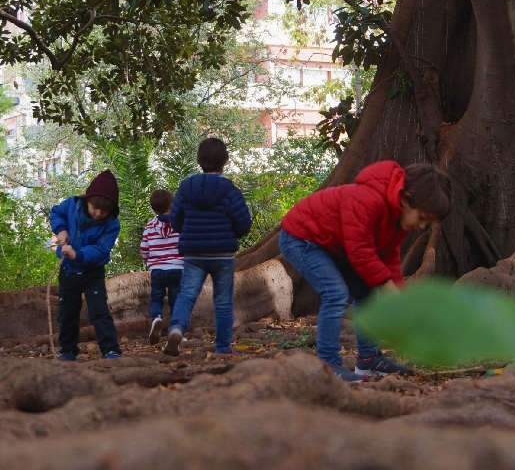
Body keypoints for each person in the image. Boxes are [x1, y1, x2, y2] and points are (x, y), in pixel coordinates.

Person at [278, 161, 452, 382]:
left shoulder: (397, 218)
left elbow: (388, 259)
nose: (421, 226)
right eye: (422, 218)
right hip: (303, 238)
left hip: (336, 245)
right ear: (406, 198)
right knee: (335, 293)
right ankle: (327, 366)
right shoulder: (368, 199)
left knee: (368, 293)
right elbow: (361, 253)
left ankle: (369, 360)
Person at [163, 138, 252, 356]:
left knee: (186, 295)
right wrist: (230, 234)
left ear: (199, 160)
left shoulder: (185, 188)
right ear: (225, 161)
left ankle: (176, 328)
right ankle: (223, 347)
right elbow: (243, 223)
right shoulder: (230, 190)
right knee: (222, 301)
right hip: (222, 254)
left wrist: (191, 232)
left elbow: (175, 220)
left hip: (194, 253)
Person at [50, 169, 123, 361]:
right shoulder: (71, 205)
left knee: (99, 311)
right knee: (67, 312)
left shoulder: (112, 225)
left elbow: (101, 250)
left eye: (104, 210)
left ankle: (110, 349)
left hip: (92, 273)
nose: (98, 214)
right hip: (69, 271)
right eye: (94, 208)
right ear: (86, 201)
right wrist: (61, 230)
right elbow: (56, 213)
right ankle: (67, 350)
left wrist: (78, 254)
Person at [140, 189, 183, 344]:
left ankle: (157, 318)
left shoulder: (150, 226)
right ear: (171, 205)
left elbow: (144, 248)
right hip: (177, 268)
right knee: (176, 300)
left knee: (157, 298)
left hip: (157, 269)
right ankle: (175, 330)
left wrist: (149, 261)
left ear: (153, 208)